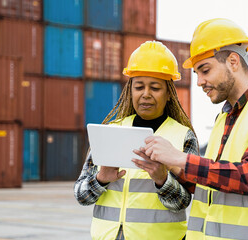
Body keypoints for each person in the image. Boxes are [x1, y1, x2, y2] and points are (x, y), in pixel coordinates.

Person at [133, 18, 248, 239]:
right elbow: (210, 184)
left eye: (205, 70)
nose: (199, 82)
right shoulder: (225, 117)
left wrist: (180, 159)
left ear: (233, 61)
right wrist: (168, 168)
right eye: (197, 74)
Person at [74, 40, 199, 240]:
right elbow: (81, 195)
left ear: (169, 94)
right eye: (139, 87)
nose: (146, 94)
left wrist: (162, 180)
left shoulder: (183, 137)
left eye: (155, 88)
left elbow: (183, 201)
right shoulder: (110, 131)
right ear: (130, 90)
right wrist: (101, 179)